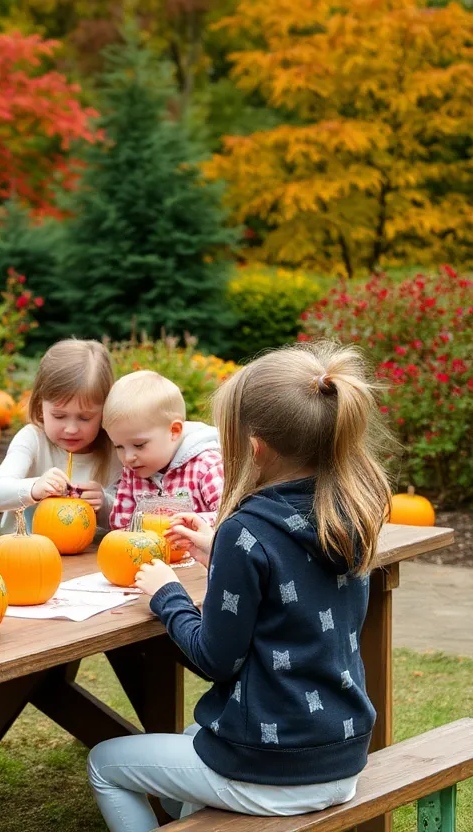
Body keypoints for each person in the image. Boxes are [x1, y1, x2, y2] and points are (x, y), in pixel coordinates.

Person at [87, 342, 393, 831]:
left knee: (106, 762)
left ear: (254, 447)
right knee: (192, 735)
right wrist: (218, 554)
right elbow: (292, 587)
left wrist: (168, 595)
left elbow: (214, 659)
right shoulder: (348, 510)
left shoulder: (246, 530)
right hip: (342, 752)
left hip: (273, 767)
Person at [0, 339, 118, 531]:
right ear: (40, 405)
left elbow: (130, 520)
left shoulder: (116, 449)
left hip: (91, 556)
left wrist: (105, 505)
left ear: (105, 410)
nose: (71, 429)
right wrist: (34, 488)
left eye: (85, 418)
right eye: (59, 415)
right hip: (27, 552)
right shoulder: (32, 439)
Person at [103, 370, 225, 532]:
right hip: (146, 554)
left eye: (139, 445)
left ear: (174, 431)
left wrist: (190, 521)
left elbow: (228, 515)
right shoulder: (133, 472)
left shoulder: (205, 466)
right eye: (119, 446)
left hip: (197, 554)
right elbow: (120, 527)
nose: (128, 457)